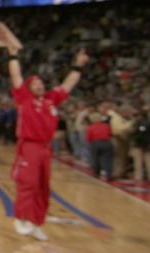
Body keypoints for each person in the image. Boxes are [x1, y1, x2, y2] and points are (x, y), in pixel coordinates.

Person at [7, 46, 89, 240]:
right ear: (29, 87)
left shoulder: (51, 100)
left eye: (41, 83)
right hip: (29, 146)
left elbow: (68, 84)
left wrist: (78, 66)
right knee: (28, 183)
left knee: (43, 187)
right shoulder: (23, 98)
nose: (40, 85)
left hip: (46, 148)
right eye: (36, 83)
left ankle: (35, 222)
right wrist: (13, 55)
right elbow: (16, 75)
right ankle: (20, 217)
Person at [85, 111, 114, 181]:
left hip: (95, 143)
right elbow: (110, 134)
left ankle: (96, 173)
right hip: (106, 143)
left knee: (95, 158)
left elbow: (88, 137)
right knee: (107, 159)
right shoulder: (106, 126)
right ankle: (108, 175)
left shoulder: (90, 127)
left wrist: (91, 143)